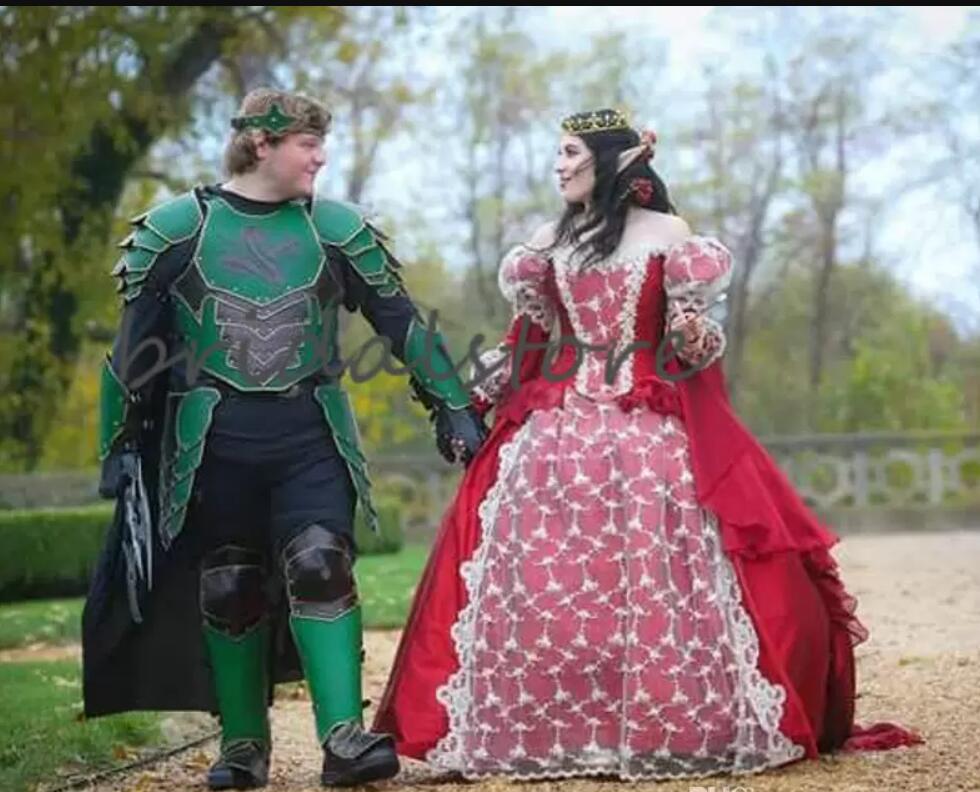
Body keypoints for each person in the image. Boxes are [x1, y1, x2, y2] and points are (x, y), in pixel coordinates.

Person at [372, 107, 922, 782]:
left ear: (612, 159)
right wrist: (468, 403)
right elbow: (526, 346)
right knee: (551, 586)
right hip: (553, 438)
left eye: (570, 152)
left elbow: (694, 344)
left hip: (647, 434)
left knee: (659, 584)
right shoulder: (546, 244)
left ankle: (674, 721)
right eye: (557, 153)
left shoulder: (669, 235)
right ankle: (558, 726)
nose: (558, 166)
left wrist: (691, 334)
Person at [81, 87, 487, 790]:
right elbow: (132, 350)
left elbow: (401, 323)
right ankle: (243, 746)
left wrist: (451, 404)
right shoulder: (177, 230)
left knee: (321, 563)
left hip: (309, 435)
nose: (320, 157)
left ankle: (344, 739)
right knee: (230, 584)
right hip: (211, 445)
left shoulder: (335, 229)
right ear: (261, 143)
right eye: (308, 143)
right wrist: (117, 444)